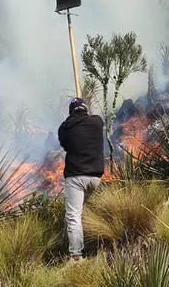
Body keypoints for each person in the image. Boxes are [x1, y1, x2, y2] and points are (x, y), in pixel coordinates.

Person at [58, 97, 104, 261]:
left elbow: (65, 145)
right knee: (81, 212)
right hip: (96, 178)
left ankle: (76, 256)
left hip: (76, 178)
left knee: (73, 215)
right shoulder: (97, 122)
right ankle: (94, 243)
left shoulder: (65, 128)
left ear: (71, 112)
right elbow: (94, 118)